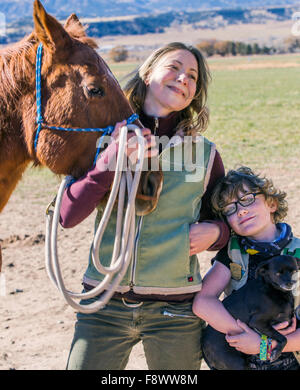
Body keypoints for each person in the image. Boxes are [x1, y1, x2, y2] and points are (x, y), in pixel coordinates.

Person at [60, 42, 230, 370]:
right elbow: (67, 215)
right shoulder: (101, 141)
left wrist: (217, 231)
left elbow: (233, 230)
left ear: (195, 93)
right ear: (148, 72)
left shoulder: (205, 155)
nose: (183, 78)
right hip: (103, 305)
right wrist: (108, 164)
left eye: (193, 76)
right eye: (174, 67)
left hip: (175, 312)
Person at [192, 166, 300, 370]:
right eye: (230, 209)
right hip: (240, 358)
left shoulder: (298, 254)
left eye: (248, 199)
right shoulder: (233, 255)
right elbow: (202, 302)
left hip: (290, 357)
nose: (240, 210)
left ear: (271, 203)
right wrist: (243, 334)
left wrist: (263, 345)